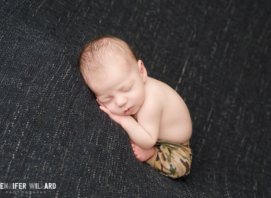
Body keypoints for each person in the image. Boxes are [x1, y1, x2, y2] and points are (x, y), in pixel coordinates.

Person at [78, 35, 193, 178]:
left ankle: (153, 155)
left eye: (126, 88)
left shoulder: (151, 102)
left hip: (174, 145)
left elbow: (148, 140)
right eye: (107, 99)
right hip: (154, 132)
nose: (120, 102)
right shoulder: (134, 97)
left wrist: (124, 120)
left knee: (180, 168)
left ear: (142, 72)